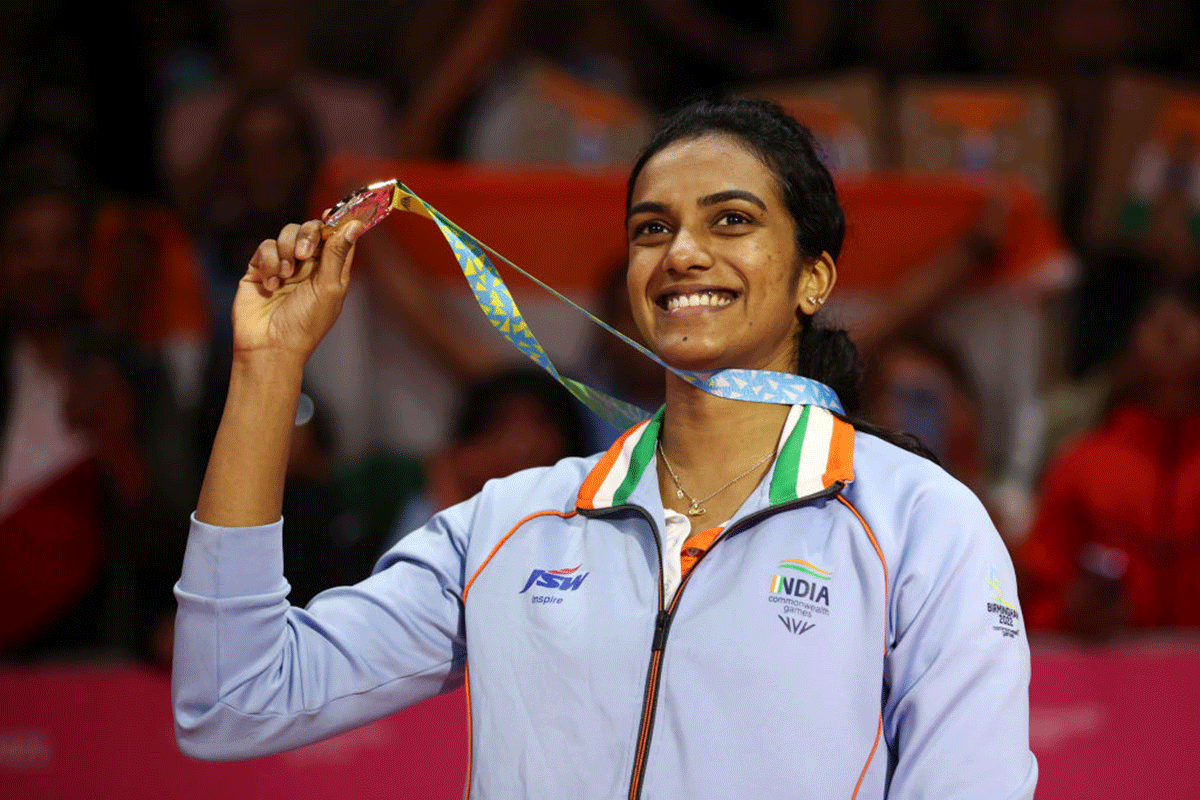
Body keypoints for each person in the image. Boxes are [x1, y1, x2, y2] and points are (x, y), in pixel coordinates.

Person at [172, 97, 1036, 798]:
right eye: (652, 229)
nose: (683, 253)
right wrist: (268, 364)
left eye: (730, 220)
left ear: (814, 276)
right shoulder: (516, 522)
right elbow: (233, 700)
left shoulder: (919, 523)